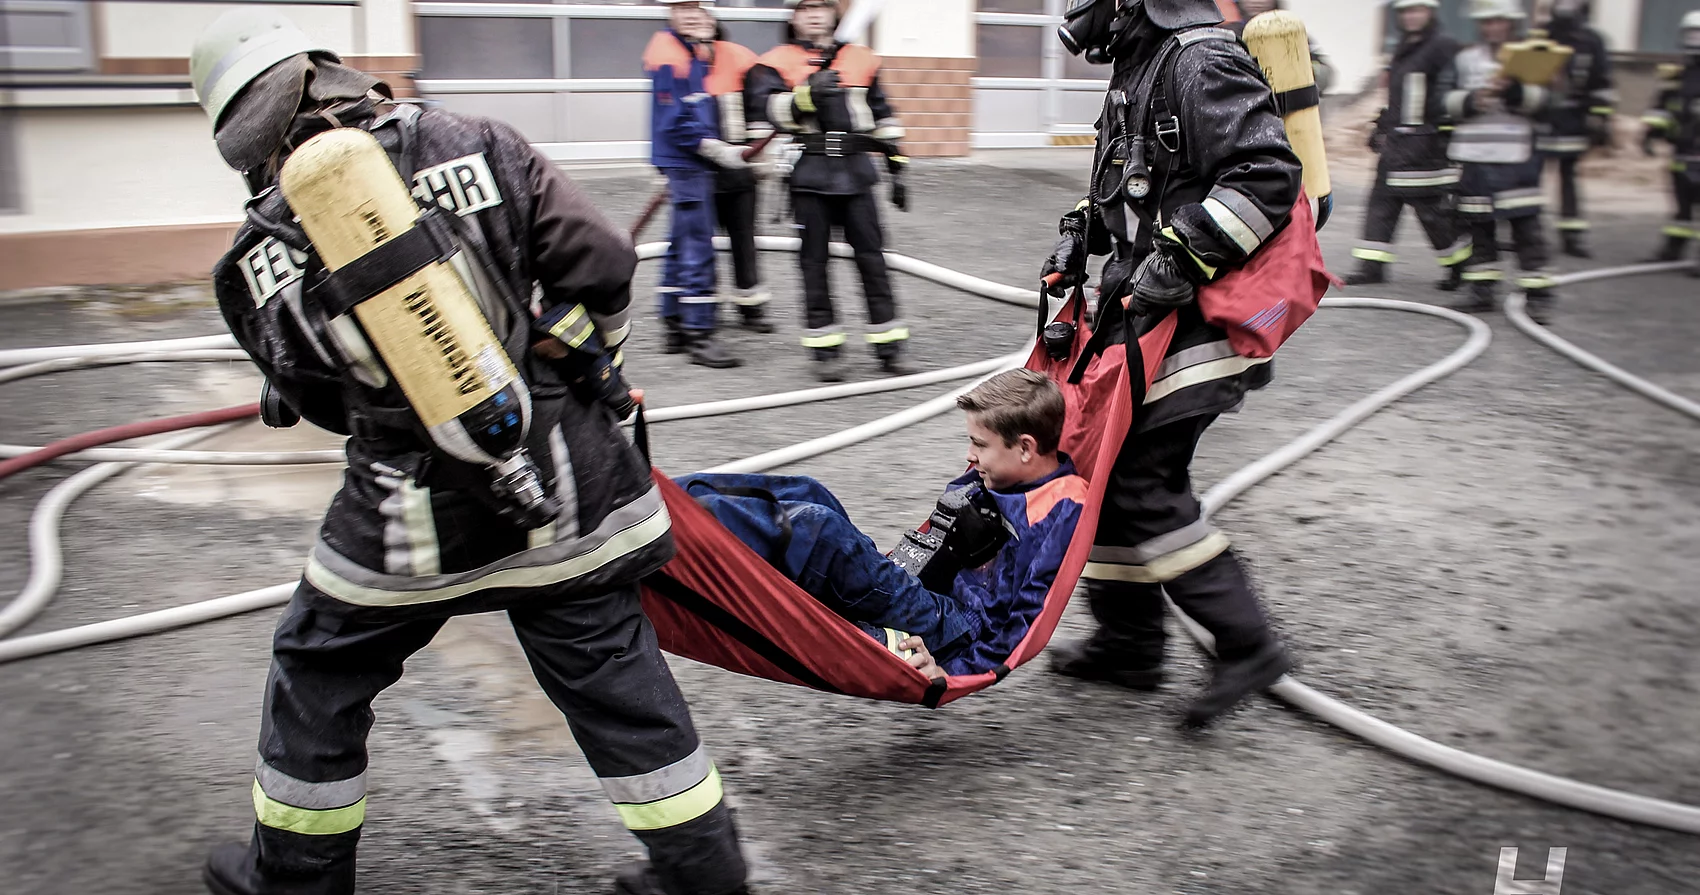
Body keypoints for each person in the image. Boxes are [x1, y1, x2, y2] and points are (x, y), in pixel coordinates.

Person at [188, 10, 748, 895]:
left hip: (408, 520)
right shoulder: (476, 140)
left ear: (240, 133)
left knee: (320, 665)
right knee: (618, 687)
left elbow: (321, 403)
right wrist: (594, 356)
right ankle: (704, 875)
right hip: (570, 491)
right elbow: (603, 261)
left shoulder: (254, 254)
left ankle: (295, 879)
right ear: (330, 72)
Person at [1041, 0, 1298, 727]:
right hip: (1143, 309)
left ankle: (1248, 644)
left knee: (1143, 479)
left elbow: (1267, 177)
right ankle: (1130, 645)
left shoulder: (1200, 59)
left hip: (1200, 315)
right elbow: (1136, 186)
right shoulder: (1140, 64)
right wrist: (1081, 232)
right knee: (1106, 469)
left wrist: (1183, 257)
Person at [683, 370, 1086, 679]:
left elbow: (1026, 621)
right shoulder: (1002, 473)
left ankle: (676, 528)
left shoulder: (1059, 508)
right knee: (808, 490)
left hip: (954, 626)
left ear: (1026, 447)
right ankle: (669, 495)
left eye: (979, 444)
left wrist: (952, 674)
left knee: (822, 531)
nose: (970, 455)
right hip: (914, 583)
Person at [745, 0, 915, 382]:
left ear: (834, 14)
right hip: (810, 175)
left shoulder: (861, 57)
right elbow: (765, 113)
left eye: (821, 6)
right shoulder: (774, 62)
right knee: (814, 266)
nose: (814, 14)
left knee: (873, 262)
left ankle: (889, 346)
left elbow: (883, 116)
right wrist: (806, 95)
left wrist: (897, 167)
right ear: (793, 16)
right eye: (805, 7)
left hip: (857, 174)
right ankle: (825, 350)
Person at [645, 0, 749, 368]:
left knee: (680, 243)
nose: (693, 16)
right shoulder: (670, 55)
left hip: (688, 160)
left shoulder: (689, 51)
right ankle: (699, 332)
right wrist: (715, 149)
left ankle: (674, 323)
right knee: (697, 247)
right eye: (684, 8)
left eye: (700, 10)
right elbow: (674, 120)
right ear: (670, 13)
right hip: (687, 161)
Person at [1444, 0, 1558, 319]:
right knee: (1478, 226)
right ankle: (1482, 290)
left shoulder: (1531, 58)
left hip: (1516, 157)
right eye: (1486, 21)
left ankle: (1538, 294)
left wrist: (1514, 91)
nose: (1492, 27)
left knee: (1525, 226)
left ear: (1511, 23)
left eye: (1499, 21)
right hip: (1473, 156)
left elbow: (1549, 103)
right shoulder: (1465, 60)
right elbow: (1443, 99)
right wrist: (1471, 100)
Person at [1346, 0, 1471, 289]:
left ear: (1430, 12)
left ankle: (1460, 265)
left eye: (1417, 10)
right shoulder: (1405, 47)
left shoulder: (1442, 46)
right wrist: (1382, 126)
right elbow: (1401, 100)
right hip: (1397, 143)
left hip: (1425, 146)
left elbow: (1450, 97)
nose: (1411, 16)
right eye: (1406, 11)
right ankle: (1372, 266)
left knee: (1431, 211)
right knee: (1381, 203)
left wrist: (1440, 135)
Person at [706, 19, 778, 335]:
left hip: (738, 167)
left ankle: (751, 307)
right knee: (699, 245)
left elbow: (758, 111)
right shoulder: (678, 63)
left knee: (744, 240)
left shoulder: (740, 59)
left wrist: (758, 163)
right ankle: (704, 306)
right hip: (698, 170)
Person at [1537, 0, 1615, 258]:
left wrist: (1600, 119)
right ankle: (1527, 233)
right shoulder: (1540, 36)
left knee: (1568, 177)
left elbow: (1602, 82)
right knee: (1529, 179)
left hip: (1573, 121)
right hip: (1540, 118)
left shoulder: (1592, 40)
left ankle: (1572, 235)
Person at [1641, 11, 1700, 270]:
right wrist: (1651, 133)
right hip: (1682, 150)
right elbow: (1662, 109)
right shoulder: (1678, 76)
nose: (1694, 40)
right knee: (1681, 203)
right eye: (1691, 34)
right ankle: (1673, 249)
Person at [1227, 0, 1334, 94]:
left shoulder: (1292, 34)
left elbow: (1324, 74)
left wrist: (1294, 70)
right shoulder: (1227, 35)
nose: (1256, 1)